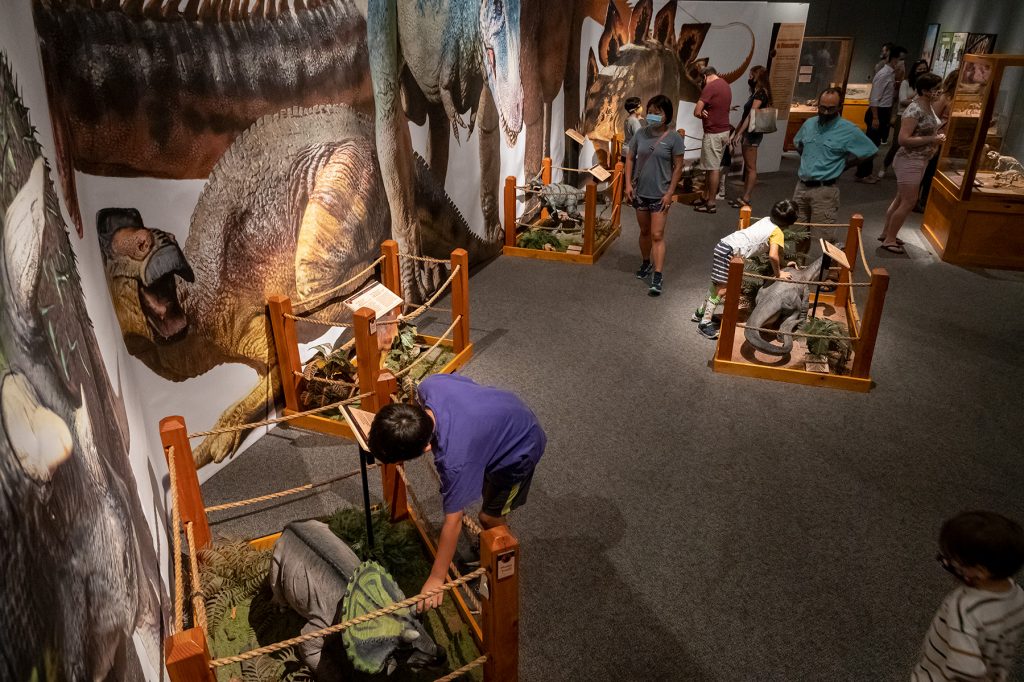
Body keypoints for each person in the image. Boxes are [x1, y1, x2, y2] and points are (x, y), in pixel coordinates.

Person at [368, 374, 546, 612]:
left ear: (427, 447)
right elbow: (468, 385)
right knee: (480, 482)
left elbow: (453, 522)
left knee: (489, 517)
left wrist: (436, 578)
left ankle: (502, 563)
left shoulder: (455, 463)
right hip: (502, 409)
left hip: (520, 445)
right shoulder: (430, 386)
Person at [912, 511, 1024, 681]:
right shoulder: (1017, 594)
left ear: (980, 571)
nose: (948, 563)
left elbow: (966, 670)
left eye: (952, 560)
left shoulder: (964, 608)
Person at [692, 199, 798, 340]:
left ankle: (700, 313)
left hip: (724, 245)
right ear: (790, 222)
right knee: (723, 289)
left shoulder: (766, 220)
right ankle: (704, 323)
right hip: (729, 252)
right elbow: (773, 255)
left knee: (716, 285)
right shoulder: (778, 232)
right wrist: (779, 274)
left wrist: (785, 262)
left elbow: (776, 253)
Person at [791, 88, 877, 249]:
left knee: (825, 239)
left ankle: (827, 272)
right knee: (798, 233)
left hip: (825, 191)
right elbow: (798, 143)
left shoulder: (848, 129)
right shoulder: (810, 124)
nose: (825, 112)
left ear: (839, 106)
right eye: (822, 107)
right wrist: (809, 161)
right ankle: (798, 269)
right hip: (801, 187)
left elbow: (870, 151)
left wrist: (845, 165)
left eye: (830, 108)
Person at [623, 94, 685, 296]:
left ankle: (658, 275)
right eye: (650, 112)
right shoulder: (640, 133)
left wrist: (670, 193)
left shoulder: (674, 138)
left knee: (657, 234)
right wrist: (628, 185)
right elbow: (630, 159)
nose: (652, 116)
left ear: (667, 115)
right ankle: (646, 262)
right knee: (644, 231)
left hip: (661, 194)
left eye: (657, 113)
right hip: (641, 192)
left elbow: (678, 167)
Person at [878, 72, 944, 253]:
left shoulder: (927, 106)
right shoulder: (915, 109)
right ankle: (889, 239)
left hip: (920, 158)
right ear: (925, 90)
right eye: (936, 89)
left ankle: (887, 233)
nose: (939, 92)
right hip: (910, 159)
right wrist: (932, 138)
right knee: (909, 201)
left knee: (901, 198)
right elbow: (903, 139)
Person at [856, 45, 907, 183]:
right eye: (901, 59)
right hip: (877, 112)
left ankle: (866, 172)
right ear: (894, 59)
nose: (902, 63)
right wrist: (876, 117)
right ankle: (862, 174)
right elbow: (874, 98)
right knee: (870, 145)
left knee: (874, 144)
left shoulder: (891, 74)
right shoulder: (884, 74)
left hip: (883, 111)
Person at [729, 65, 773, 209]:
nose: (749, 77)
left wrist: (740, 133)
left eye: (751, 75)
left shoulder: (761, 93)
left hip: (752, 134)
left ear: (757, 76)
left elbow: (751, 114)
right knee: (748, 167)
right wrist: (738, 132)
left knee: (751, 167)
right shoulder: (756, 92)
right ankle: (744, 196)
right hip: (749, 132)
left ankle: (746, 197)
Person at [692, 66, 733, 214]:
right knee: (711, 166)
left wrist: (701, 113)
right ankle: (705, 197)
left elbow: (696, 111)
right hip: (724, 131)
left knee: (713, 168)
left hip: (713, 133)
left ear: (704, 77)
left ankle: (711, 203)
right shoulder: (725, 85)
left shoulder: (710, 87)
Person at [916, 70, 958, 212]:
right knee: (929, 170)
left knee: (935, 171)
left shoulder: (956, 97)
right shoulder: (944, 98)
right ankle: (919, 200)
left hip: (949, 140)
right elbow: (934, 119)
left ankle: (927, 200)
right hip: (938, 139)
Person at [880, 59, 929, 177]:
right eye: (919, 69)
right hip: (903, 115)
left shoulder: (927, 84)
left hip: (920, 117)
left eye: (924, 69)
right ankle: (884, 165)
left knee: (914, 144)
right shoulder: (906, 83)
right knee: (897, 143)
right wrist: (918, 99)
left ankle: (905, 169)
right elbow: (902, 100)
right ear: (914, 70)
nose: (922, 71)